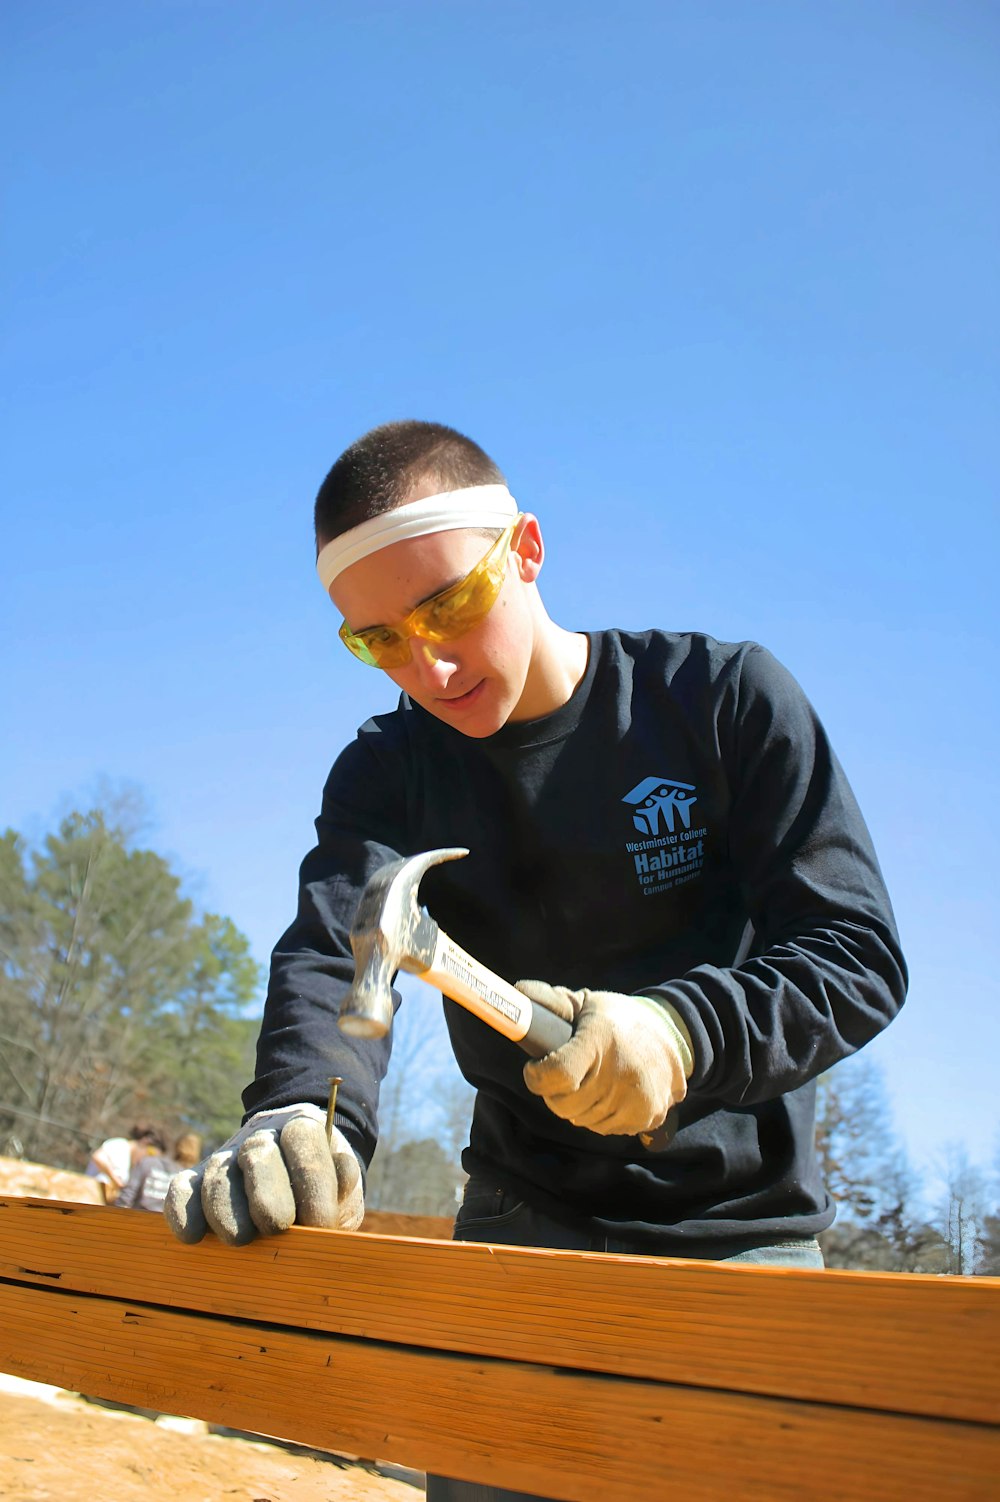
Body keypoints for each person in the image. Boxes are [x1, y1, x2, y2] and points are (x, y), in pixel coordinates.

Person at [166, 420, 907, 1502]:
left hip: (739, 1242)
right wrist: (300, 1111)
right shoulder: (387, 774)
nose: (429, 664)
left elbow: (855, 953)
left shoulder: (720, 701)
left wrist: (683, 1029)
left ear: (526, 549)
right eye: (377, 641)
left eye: (449, 606)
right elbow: (339, 948)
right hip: (520, 1225)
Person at [86, 1123, 161, 1204]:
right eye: (150, 1154)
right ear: (144, 1143)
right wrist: (116, 1180)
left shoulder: (134, 1167)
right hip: (90, 1196)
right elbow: (98, 1157)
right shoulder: (120, 1145)